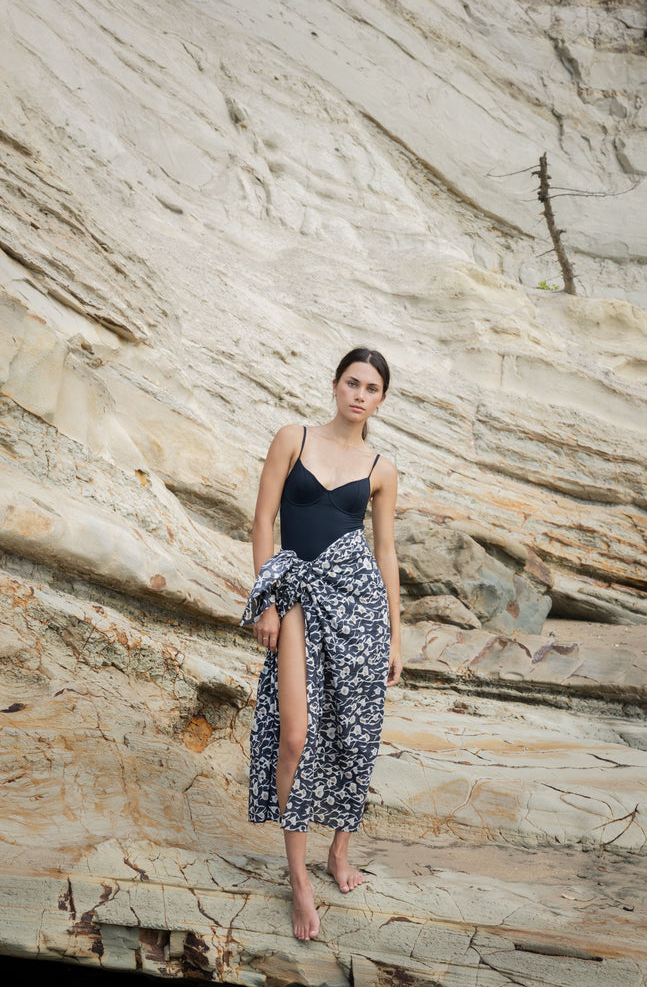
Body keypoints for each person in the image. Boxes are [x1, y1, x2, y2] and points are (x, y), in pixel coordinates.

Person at [240, 346, 402, 942]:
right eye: (352, 382)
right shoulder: (293, 438)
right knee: (296, 735)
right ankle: (299, 879)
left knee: (354, 732)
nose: (360, 394)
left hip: (359, 604)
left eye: (372, 388)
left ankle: (339, 852)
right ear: (335, 385)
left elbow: (385, 553)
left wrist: (394, 636)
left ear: (381, 400)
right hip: (299, 599)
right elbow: (262, 524)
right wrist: (269, 600)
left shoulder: (381, 467)